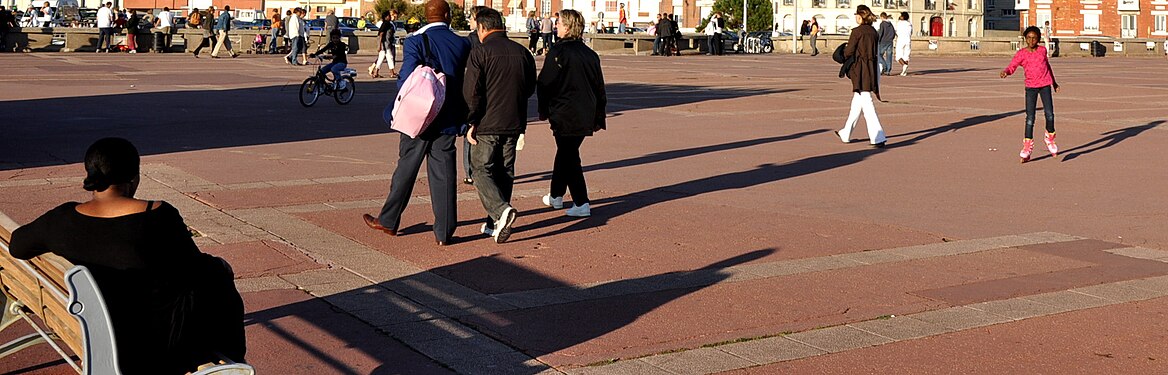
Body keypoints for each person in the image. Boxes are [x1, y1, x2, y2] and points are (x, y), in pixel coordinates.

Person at [8, 138, 246, 374]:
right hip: (153, 345)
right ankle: (233, 362)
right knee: (216, 273)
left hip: (94, 333)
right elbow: (194, 270)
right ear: (134, 177)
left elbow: (17, 246)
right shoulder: (158, 215)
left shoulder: (61, 219)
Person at [363, 0, 470, 247]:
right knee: (444, 174)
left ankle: (389, 221)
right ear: (448, 16)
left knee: (406, 168)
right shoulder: (463, 43)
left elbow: (407, 80)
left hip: (419, 116)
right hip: (449, 116)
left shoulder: (415, 41)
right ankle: (444, 232)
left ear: (426, 16)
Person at [464, 7, 536, 244]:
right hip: (514, 121)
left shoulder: (480, 52)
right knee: (505, 171)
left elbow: (472, 91)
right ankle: (494, 221)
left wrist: (471, 120)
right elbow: (529, 89)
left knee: (480, 169)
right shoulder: (523, 53)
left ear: (482, 28)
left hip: (487, 121)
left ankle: (500, 211)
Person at [537, 9, 606, 218]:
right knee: (566, 151)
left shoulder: (559, 51)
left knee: (569, 155)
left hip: (564, 112)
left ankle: (581, 200)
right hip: (585, 112)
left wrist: (543, 110)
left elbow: (545, 83)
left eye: (558, 23)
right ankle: (556, 195)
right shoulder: (590, 54)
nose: (556, 26)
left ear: (567, 27)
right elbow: (599, 88)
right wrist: (599, 116)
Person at [1001, 26, 1060, 163]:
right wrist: (1006, 72)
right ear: (1025, 39)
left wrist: (1054, 83)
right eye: (1028, 38)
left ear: (1038, 39)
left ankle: (1049, 138)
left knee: (1050, 114)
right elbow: (1012, 66)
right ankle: (1027, 147)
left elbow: (1047, 67)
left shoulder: (1042, 51)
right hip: (1031, 88)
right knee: (1030, 118)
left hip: (1045, 85)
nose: (1031, 40)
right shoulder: (1022, 53)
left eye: (1034, 38)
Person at [835, 5, 886, 148]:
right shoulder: (873, 32)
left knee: (866, 101)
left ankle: (878, 136)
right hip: (871, 67)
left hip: (860, 69)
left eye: (856, 15)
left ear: (860, 16)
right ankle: (846, 132)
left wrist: (841, 54)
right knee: (857, 102)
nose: (855, 17)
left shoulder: (857, 32)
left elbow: (849, 51)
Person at [461, 5, 488, 185]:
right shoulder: (493, 40)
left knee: (469, 132)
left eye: (471, 18)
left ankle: (470, 171)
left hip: (473, 89)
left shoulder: (469, 40)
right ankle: (483, 169)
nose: (469, 21)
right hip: (490, 91)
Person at [369, 9, 398, 78]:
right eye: (389, 16)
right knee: (389, 57)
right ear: (386, 17)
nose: (390, 17)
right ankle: (391, 72)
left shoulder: (387, 23)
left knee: (382, 58)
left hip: (386, 44)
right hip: (385, 44)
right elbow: (381, 34)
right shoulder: (386, 24)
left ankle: (376, 72)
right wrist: (379, 45)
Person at [893, 11, 912, 76]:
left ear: (903, 17)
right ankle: (904, 71)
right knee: (906, 56)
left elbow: (896, 31)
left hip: (901, 40)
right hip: (908, 40)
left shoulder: (899, 23)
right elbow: (911, 32)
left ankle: (904, 65)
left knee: (898, 56)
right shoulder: (909, 24)